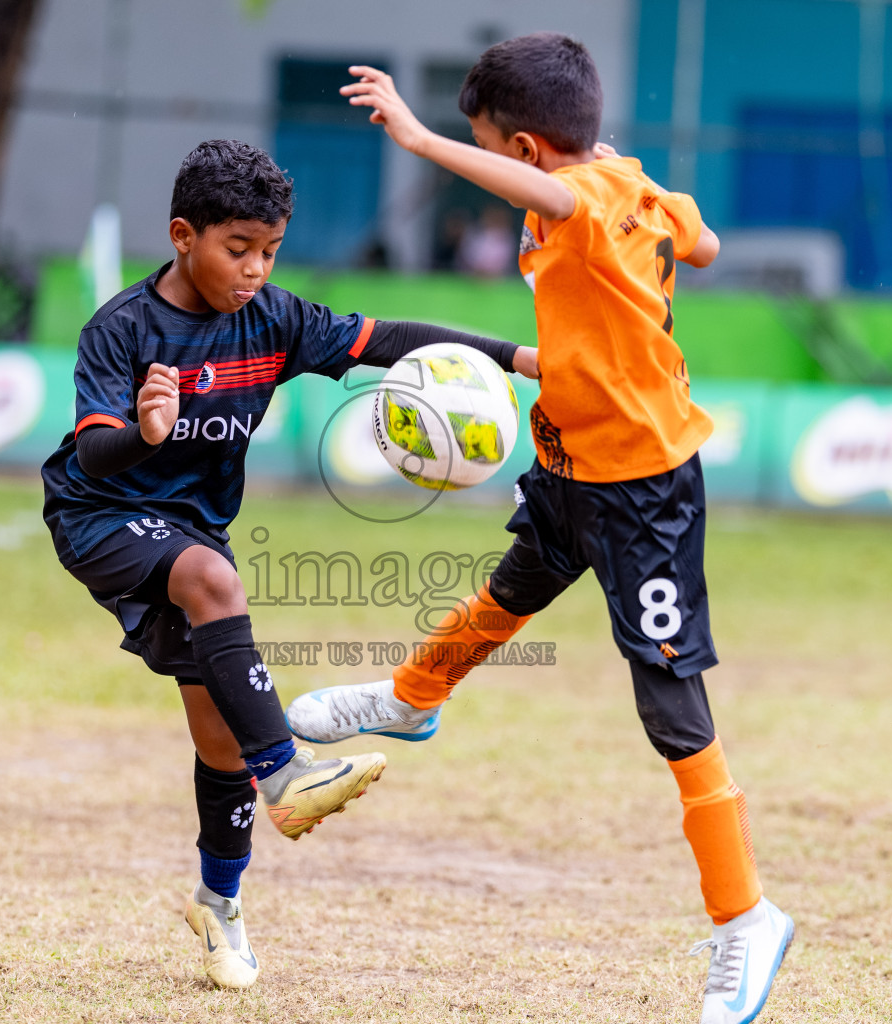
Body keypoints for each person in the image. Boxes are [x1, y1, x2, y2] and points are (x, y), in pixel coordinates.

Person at [285, 34, 793, 1024]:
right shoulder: (633, 184)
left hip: (641, 487)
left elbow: (569, 202)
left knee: (672, 707)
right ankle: (408, 698)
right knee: (513, 586)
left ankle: (746, 917)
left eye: (491, 154)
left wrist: (424, 141)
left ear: (523, 147)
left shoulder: (587, 197)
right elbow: (706, 244)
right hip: (572, 455)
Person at [39, 138, 538, 991]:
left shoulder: (274, 321)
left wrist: (518, 359)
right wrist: (144, 432)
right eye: (238, 250)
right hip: (102, 516)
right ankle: (291, 776)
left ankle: (218, 902)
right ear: (182, 234)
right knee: (214, 582)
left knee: (218, 737)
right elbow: (91, 458)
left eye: (269, 252)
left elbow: (390, 340)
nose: (256, 270)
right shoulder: (122, 329)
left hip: (192, 531)